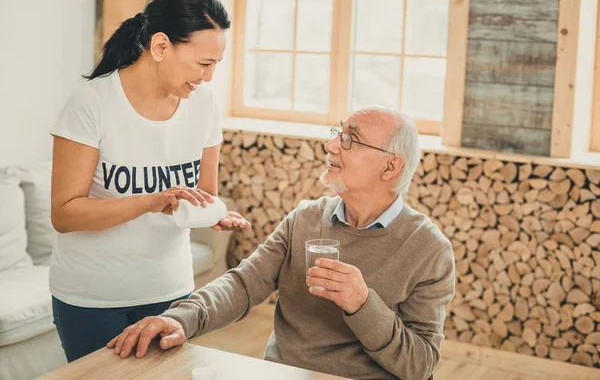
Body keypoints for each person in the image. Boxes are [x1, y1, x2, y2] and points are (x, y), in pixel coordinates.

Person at [107, 107, 455, 380]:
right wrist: (182, 319)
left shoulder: (428, 248)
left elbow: (419, 366)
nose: (331, 145)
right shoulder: (306, 218)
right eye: (338, 133)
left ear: (390, 166)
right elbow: (244, 284)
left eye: (350, 139)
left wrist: (363, 304)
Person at [49, 0, 250, 362]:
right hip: (92, 298)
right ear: (160, 47)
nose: (207, 78)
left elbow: (205, 191)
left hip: (171, 292)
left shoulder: (204, 105)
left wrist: (213, 212)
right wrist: (149, 202)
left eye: (215, 65)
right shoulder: (92, 102)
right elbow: (64, 214)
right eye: (201, 63)